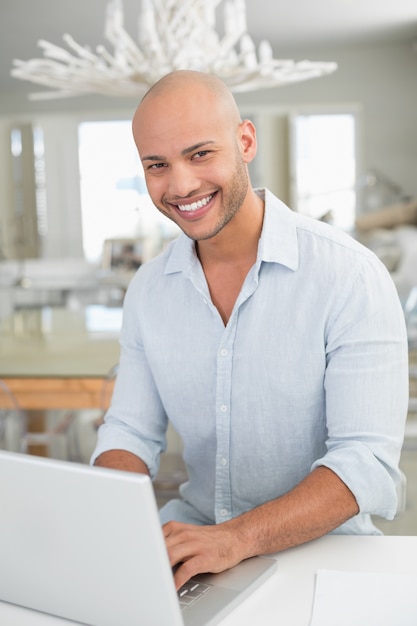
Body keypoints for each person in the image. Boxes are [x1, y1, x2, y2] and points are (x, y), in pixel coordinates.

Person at [91, 70, 409, 590]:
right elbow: (130, 431)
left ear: (245, 141)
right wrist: (112, 524)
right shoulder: (148, 289)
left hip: (327, 558)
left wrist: (236, 537)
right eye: (157, 165)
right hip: (194, 556)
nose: (181, 186)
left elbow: (366, 462)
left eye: (199, 154)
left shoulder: (349, 274)